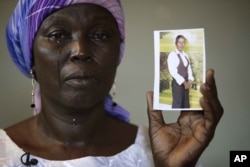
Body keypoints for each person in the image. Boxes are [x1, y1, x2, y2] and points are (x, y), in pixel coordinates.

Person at [0, 0, 223, 166]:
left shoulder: (163, 149)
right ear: (31, 57)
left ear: (117, 52)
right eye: (58, 35)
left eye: (101, 35)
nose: (81, 51)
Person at [167, 35, 194, 109]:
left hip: (186, 86)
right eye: (179, 42)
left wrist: (190, 81)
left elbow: (189, 69)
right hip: (178, 85)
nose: (181, 44)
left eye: (183, 42)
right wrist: (184, 82)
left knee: (186, 106)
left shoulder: (186, 55)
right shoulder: (172, 55)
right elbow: (173, 72)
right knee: (177, 105)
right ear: (176, 43)